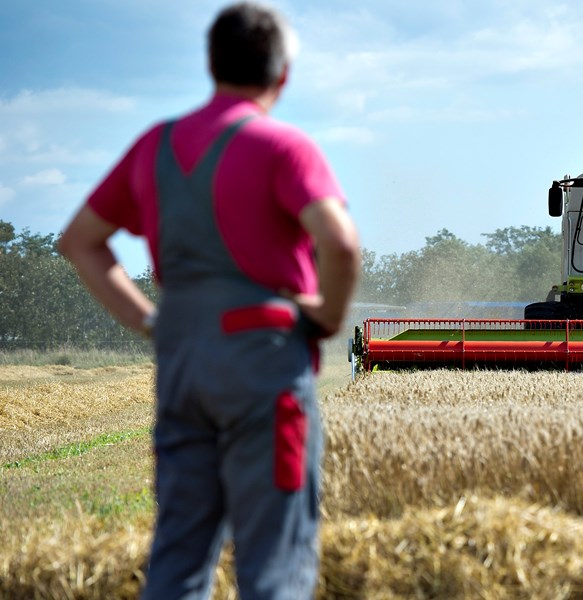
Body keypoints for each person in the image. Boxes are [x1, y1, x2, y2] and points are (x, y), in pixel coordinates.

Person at [57, 3, 360, 599]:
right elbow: (341, 244)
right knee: (273, 559)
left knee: (179, 553)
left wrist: (149, 322)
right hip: (263, 360)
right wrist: (324, 315)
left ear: (211, 64)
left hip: (182, 360)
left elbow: (80, 241)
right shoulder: (284, 147)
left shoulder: (156, 144)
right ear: (283, 75)